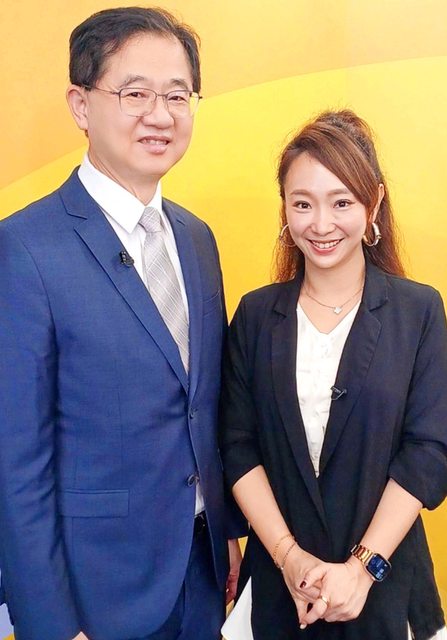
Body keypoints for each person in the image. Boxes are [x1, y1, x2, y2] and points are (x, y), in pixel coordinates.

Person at [0, 7, 245, 640]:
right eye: (135, 94)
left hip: (201, 577)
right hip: (94, 599)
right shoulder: (24, 249)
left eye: (177, 96)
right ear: (80, 105)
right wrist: (52, 625)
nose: (160, 115)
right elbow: (15, 464)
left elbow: (202, 408)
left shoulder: (197, 239)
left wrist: (224, 530)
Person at [219, 110, 447, 640]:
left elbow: (429, 452)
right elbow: (236, 446)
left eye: (341, 202)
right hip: (279, 589)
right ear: (284, 208)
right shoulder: (256, 316)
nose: (321, 225)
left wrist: (361, 570)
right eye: (303, 204)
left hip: (389, 587)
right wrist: (289, 558)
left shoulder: (418, 312)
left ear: (374, 204)